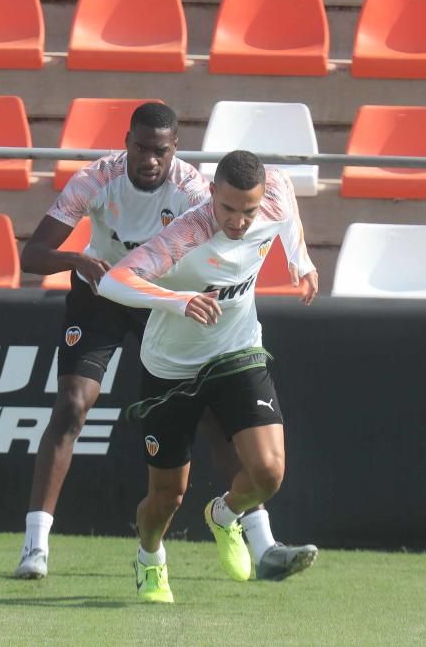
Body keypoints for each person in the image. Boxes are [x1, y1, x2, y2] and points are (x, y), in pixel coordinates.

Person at [14, 104, 314, 581]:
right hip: (105, 291)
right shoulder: (96, 179)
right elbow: (31, 255)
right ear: (126, 141)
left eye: (161, 150)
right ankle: (36, 546)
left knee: (222, 419)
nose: (150, 159)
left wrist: (298, 258)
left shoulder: (199, 192)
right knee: (73, 405)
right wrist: (77, 260)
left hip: (170, 298)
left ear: (176, 149)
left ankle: (261, 543)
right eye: (141, 147)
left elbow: (269, 196)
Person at [96, 150, 318, 603]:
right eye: (228, 208)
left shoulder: (273, 194)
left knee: (269, 472)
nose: (238, 221)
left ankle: (225, 514)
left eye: (248, 211)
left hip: (236, 351)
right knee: (167, 498)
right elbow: (114, 281)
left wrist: (301, 259)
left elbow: (287, 200)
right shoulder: (187, 233)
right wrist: (178, 300)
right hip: (171, 366)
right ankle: (150, 559)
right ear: (212, 193)